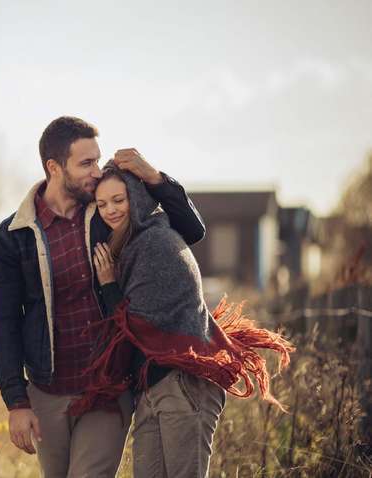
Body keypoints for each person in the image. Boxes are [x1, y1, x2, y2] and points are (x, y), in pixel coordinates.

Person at [0, 116, 206, 477]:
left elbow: (191, 229)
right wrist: (16, 402)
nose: (97, 171)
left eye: (97, 159)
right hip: (47, 390)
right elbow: (4, 322)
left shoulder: (107, 212)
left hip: (107, 388)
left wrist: (153, 176)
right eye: (86, 163)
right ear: (54, 167)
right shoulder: (12, 236)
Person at [76, 165, 294, 477]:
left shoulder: (155, 244)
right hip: (153, 385)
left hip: (182, 383)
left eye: (118, 200)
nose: (110, 210)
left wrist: (109, 285)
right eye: (102, 204)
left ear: (136, 198)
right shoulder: (131, 246)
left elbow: (137, 325)